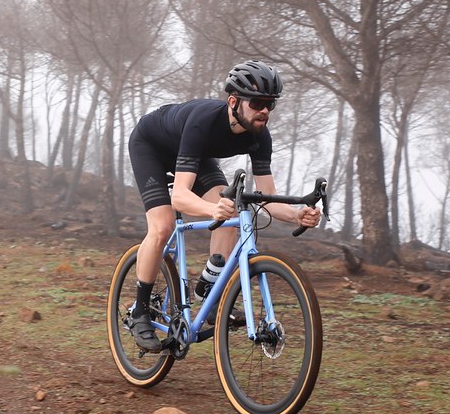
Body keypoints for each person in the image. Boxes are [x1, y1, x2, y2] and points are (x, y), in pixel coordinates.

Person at [126, 60, 321, 352]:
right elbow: (179, 196)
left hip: (195, 155)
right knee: (164, 225)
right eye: (257, 102)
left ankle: (210, 286)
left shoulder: (259, 137)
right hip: (151, 147)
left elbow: (267, 198)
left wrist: (297, 215)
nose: (264, 111)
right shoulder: (203, 122)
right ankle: (139, 310)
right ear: (234, 101)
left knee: (234, 208)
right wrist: (210, 210)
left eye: (270, 104)